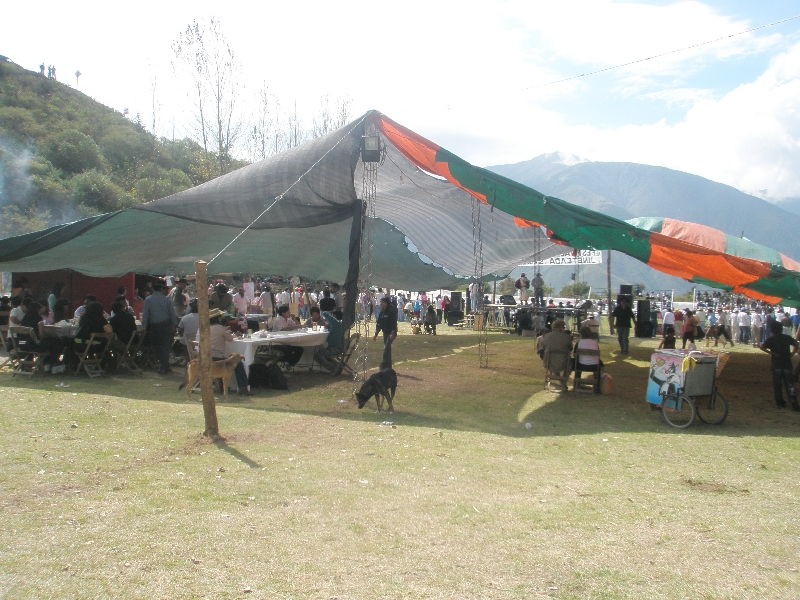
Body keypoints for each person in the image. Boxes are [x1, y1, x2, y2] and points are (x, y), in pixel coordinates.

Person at [198, 308, 251, 395]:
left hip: (205, 356)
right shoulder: (220, 328)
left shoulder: (204, 328)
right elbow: (230, 339)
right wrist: (231, 333)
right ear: (218, 318)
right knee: (239, 364)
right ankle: (243, 388)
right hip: (217, 357)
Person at [761, 319, 800, 411]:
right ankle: (793, 401)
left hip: (776, 364)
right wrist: (792, 353)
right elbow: (796, 343)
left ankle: (780, 403)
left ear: (772, 330)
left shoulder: (772, 339)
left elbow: (762, 347)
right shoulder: (786, 338)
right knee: (790, 384)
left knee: (777, 385)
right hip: (787, 363)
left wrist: (772, 353)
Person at [141, 282, 178, 375]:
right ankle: (165, 365)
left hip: (155, 325)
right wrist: (174, 325)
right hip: (167, 324)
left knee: (156, 346)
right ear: (162, 290)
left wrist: (144, 325)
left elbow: (145, 313)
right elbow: (172, 314)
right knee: (165, 346)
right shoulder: (167, 300)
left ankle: (164, 366)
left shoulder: (148, 300)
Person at [373, 296, 397, 370]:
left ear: (386, 303)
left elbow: (393, 323)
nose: (381, 304)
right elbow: (379, 324)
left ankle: (383, 366)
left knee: (385, 349)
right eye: (380, 302)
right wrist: (376, 334)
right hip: (385, 333)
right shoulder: (382, 312)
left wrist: (392, 333)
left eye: (382, 302)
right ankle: (388, 367)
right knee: (387, 350)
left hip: (391, 333)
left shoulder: (391, 311)